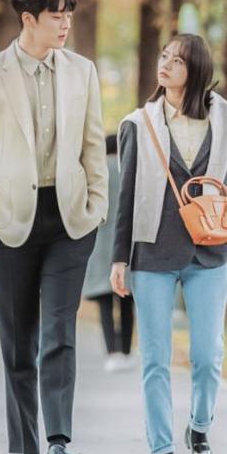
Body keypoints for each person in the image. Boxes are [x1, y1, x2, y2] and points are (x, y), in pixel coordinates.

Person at [0, 0, 108, 454]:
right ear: (29, 20)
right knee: (18, 338)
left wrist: (97, 206)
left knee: (58, 333)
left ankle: (59, 442)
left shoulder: (83, 72)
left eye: (70, 14)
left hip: (70, 220)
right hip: (8, 223)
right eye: (56, 15)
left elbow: (93, 145)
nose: (66, 23)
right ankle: (26, 449)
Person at [111, 33, 227, 454]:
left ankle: (198, 431)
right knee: (155, 357)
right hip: (153, 250)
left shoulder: (225, 116)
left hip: (210, 250)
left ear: (194, 70)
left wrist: (219, 197)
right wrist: (120, 259)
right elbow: (128, 192)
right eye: (164, 57)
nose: (166, 65)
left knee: (207, 354)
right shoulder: (141, 123)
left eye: (177, 60)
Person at [82, 133, 133, 372]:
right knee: (125, 300)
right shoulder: (128, 171)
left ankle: (110, 351)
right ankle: (125, 351)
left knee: (104, 302)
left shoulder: (96, 172)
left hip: (99, 245)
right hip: (125, 245)